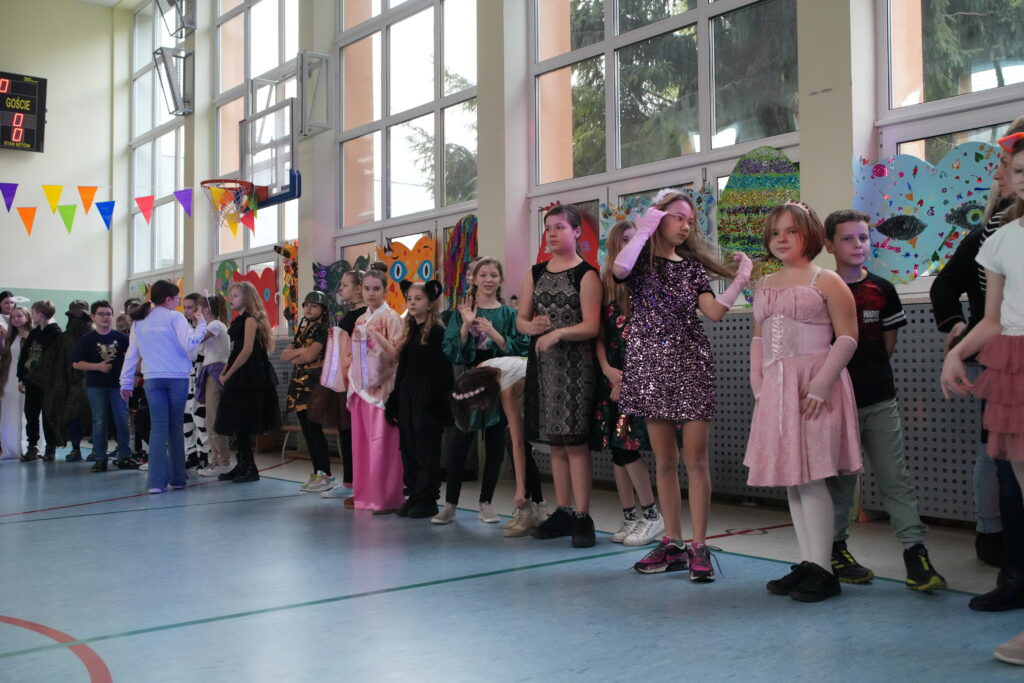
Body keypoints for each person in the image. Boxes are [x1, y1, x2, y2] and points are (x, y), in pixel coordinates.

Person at [612, 191, 752, 582]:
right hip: (650, 367)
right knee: (665, 461)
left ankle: (699, 545)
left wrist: (741, 279)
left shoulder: (690, 269)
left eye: (690, 220)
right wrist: (644, 228)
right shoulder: (639, 263)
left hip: (691, 366)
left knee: (695, 459)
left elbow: (714, 312)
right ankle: (672, 542)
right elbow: (619, 270)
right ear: (659, 218)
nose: (686, 225)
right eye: (678, 217)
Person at [744, 201, 861, 602]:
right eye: (775, 232)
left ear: (809, 235)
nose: (781, 239)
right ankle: (810, 562)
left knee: (811, 478)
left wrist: (820, 385)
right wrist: (759, 384)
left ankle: (825, 569)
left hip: (814, 387)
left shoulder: (826, 280)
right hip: (777, 389)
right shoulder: (765, 283)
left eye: (790, 231)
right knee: (794, 480)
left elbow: (847, 338)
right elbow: (759, 337)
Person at [823, 210, 946, 591]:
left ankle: (915, 554)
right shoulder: (821, 290)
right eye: (847, 238)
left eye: (863, 237)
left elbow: (887, 346)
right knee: (840, 483)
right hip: (836, 404)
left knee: (896, 479)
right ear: (829, 245)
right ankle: (835, 551)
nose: (857, 245)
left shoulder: (883, 289)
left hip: (879, 400)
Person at [930, 118, 1024, 610]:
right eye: (1013, 167)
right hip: (1008, 359)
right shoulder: (999, 235)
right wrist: (957, 348)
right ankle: (1011, 568)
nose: (1010, 175)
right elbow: (991, 315)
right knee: (1007, 467)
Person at [519, 204, 601, 548]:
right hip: (544, 367)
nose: (552, 234)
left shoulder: (587, 274)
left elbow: (592, 326)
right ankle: (563, 511)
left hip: (576, 368)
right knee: (555, 443)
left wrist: (559, 333)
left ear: (576, 232)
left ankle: (583, 516)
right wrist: (532, 327)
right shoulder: (535, 273)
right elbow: (521, 320)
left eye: (559, 228)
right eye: (548, 228)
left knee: (575, 444)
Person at [439, 257, 530, 524]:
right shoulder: (461, 312)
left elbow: (522, 349)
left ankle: (486, 503)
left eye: (493, 275)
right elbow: (451, 350)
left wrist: (494, 333)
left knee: (494, 444)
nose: (488, 280)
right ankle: (450, 504)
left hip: (500, 382)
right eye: (483, 275)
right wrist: (466, 325)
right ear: (474, 279)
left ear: (501, 280)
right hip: (471, 381)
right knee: (460, 443)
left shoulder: (509, 314)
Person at [594, 220, 663, 546]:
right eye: (624, 239)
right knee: (616, 450)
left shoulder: (648, 282)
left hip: (638, 377)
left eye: (636, 240)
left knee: (628, 445)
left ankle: (651, 514)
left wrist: (630, 380)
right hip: (612, 376)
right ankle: (629, 515)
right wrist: (607, 369)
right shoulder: (606, 284)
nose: (631, 245)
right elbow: (599, 336)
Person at [118, 280, 207, 493]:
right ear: (168, 299)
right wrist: (202, 324)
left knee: (158, 428)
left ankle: (156, 483)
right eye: (177, 298)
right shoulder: (176, 317)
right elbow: (191, 343)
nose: (179, 302)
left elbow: (131, 355)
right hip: (177, 378)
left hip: (152, 379)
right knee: (175, 427)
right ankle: (178, 479)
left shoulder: (139, 322)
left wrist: (125, 382)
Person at [449, 356, 546, 537]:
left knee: (514, 440)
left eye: (480, 405)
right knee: (512, 438)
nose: (481, 409)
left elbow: (518, 444)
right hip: (527, 386)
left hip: (543, 390)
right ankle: (534, 507)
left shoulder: (507, 391)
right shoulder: (481, 370)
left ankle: (531, 508)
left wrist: (520, 490)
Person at [387, 280, 452, 519]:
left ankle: (428, 498)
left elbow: (443, 371)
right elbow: (402, 370)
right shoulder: (410, 331)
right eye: (410, 299)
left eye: (418, 298)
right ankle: (414, 494)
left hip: (428, 397)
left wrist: (438, 401)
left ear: (430, 303)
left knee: (426, 448)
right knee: (408, 446)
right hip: (408, 395)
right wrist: (395, 398)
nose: (412, 303)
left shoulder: (437, 332)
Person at [345, 265, 404, 512]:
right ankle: (364, 494)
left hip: (383, 389)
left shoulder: (391, 318)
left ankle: (386, 497)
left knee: (382, 444)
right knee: (362, 444)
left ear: (385, 291)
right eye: (367, 288)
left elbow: (397, 354)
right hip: (361, 388)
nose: (371, 293)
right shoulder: (360, 319)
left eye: (376, 289)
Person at [214, 281, 280, 484]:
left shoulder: (250, 320)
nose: (231, 299)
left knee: (242, 421)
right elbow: (236, 350)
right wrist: (225, 369)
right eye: (231, 295)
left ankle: (250, 467)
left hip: (249, 376)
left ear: (246, 298)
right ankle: (242, 463)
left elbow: (247, 350)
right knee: (236, 421)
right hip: (241, 373)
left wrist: (229, 374)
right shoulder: (240, 320)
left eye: (235, 295)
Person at [72, 300, 138, 473]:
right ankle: (100, 458)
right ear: (93, 317)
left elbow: (133, 356)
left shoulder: (121, 338)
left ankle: (125, 455)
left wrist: (133, 376)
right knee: (99, 421)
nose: (105, 317)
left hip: (118, 386)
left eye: (108, 314)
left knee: (122, 419)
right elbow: (77, 363)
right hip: (96, 386)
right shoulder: (88, 339)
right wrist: (97, 367)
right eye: (101, 314)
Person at [319, 269, 367, 500]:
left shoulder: (364, 315)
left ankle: (359, 482)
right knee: (346, 431)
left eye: (345, 285)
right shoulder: (350, 314)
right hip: (345, 381)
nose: (340, 288)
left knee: (355, 433)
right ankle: (350, 481)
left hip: (359, 383)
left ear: (358, 289)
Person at [282, 291, 334, 493]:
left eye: (314, 305)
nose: (309, 308)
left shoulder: (323, 329)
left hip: (314, 385)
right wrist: (300, 353)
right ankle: (316, 472)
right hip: (298, 385)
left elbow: (310, 355)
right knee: (307, 431)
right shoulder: (302, 329)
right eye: (307, 305)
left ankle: (326, 474)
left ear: (323, 309)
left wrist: (297, 354)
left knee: (314, 430)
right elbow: (285, 356)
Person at [17, 300, 61, 461]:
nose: (32, 316)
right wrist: (21, 377)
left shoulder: (56, 333)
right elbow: (25, 355)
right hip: (32, 380)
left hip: (47, 382)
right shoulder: (35, 332)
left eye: (33, 313)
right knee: (31, 413)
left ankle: (50, 447)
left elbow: (55, 360)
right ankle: (32, 446)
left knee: (48, 415)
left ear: (41, 315)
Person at [196, 294, 233, 477]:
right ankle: (217, 459)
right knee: (210, 419)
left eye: (197, 309)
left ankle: (222, 462)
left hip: (215, 373)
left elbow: (196, 339)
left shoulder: (215, 325)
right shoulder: (213, 325)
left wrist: (198, 324)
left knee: (214, 420)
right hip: (210, 372)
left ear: (205, 310)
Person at [56, 300, 93, 462]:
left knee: (95, 417)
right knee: (73, 417)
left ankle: (97, 449)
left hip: (92, 381)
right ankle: (76, 448)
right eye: (74, 316)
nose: (77, 319)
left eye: (81, 316)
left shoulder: (94, 335)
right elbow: (61, 361)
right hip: (71, 383)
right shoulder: (65, 338)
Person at [182, 293, 210, 471]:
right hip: (186, 376)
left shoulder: (207, 328)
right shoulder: (183, 327)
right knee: (186, 418)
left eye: (190, 307)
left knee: (200, 418)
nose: (187, 311)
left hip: (201, 375)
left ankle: (204, 455)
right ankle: (190, 453)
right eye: (185, 307)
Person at [0, 306, 30, 460]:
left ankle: (28, 447)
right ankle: (11, 448)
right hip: (9, 378)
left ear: (27, 317)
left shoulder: (32, 336)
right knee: (9, 414)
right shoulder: (10, 337)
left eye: (19, 316)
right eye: (13, 317)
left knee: (27, 414)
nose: (16, 319)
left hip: (25, 379)